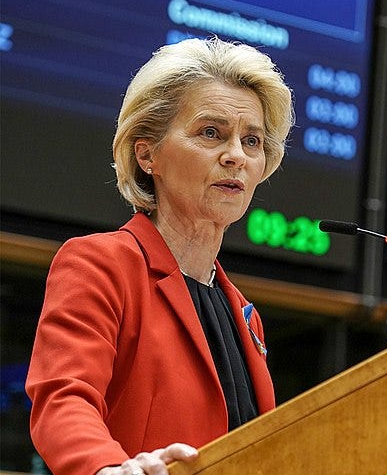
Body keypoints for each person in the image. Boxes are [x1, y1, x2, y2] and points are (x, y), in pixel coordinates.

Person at [25, 37, 294, 475]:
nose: (236, 157)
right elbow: (64, 397)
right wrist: (107, 469)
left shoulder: (245, 314)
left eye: (253, 141)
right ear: (147, 153)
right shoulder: (100, 265)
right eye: (212, 133)